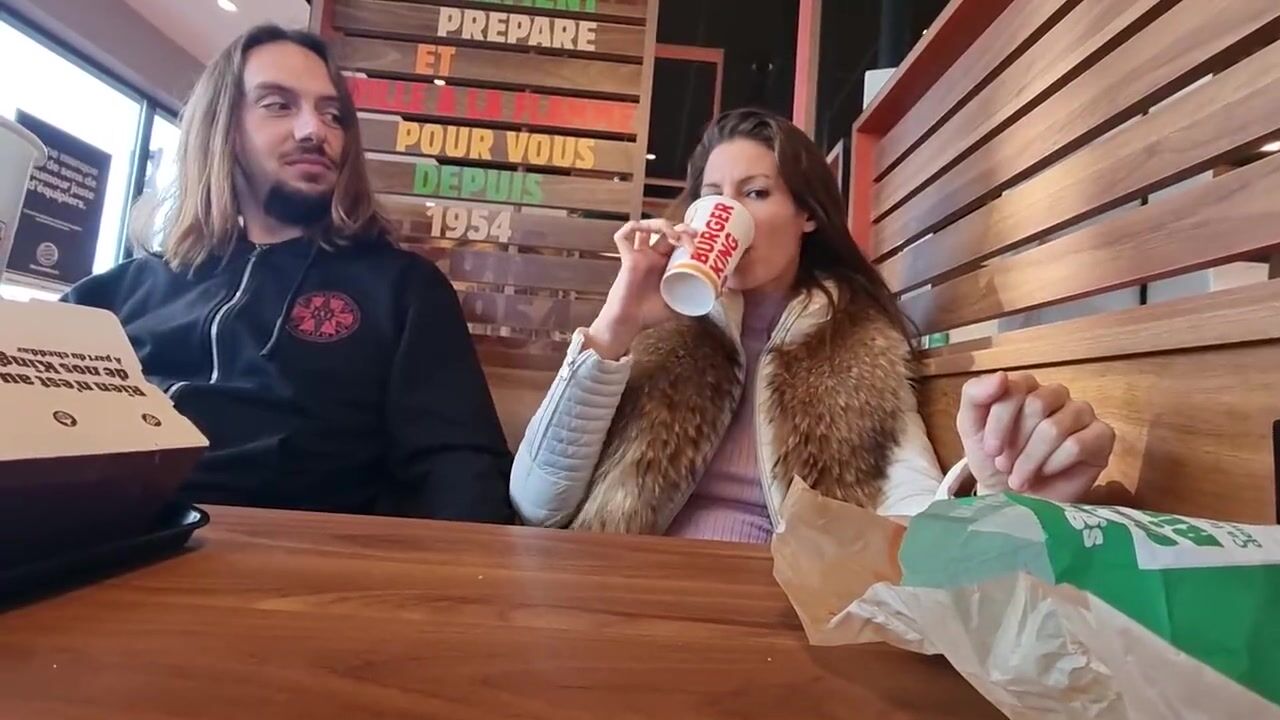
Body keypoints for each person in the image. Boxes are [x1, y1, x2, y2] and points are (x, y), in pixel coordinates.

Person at [509, 109, 1117, 541]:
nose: (728, 210)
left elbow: (906, 501)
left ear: (806, 214)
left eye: (755, 193)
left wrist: (989, 499)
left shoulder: (860, 344)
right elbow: (536, 505)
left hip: (780, 598)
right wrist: (618, 321)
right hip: (625, 584)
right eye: (713, 195)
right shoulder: (654, 333)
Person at [64, 25, 513, 522]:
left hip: (293, 554)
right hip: (99, 536)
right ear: (223, 128)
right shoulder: (110, 298)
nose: (313, 131)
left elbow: (460, 471)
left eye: (333, 114)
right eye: (278, 105)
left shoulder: (402, 289)